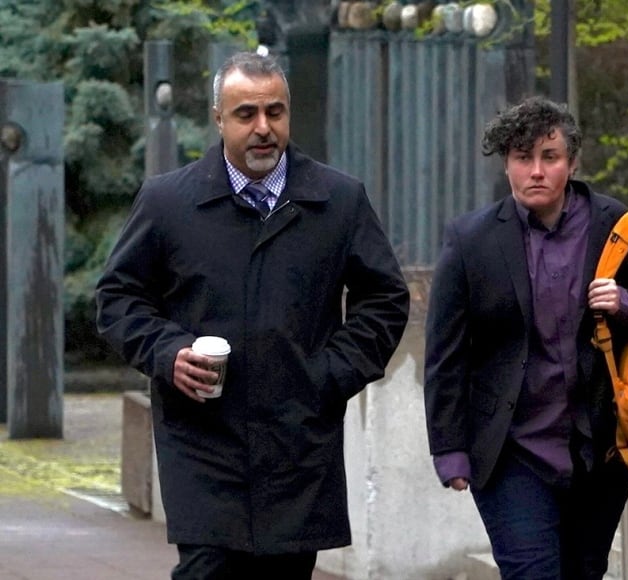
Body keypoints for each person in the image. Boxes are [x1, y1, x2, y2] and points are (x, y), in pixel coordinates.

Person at [96, 51, 409, 579]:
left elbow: (385, 300)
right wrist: (167, 353)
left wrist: (328, 375)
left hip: (298, 446)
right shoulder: (168, 202)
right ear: (219, 119)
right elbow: (118, 298)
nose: (263, 128)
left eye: (275, 112)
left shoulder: (337, 200)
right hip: (203, 445)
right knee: (208, 570)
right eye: (246, 114)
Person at [423, 96, 628, 579]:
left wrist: (627, 302)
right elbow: (445, 354)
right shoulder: (471, 241)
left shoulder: (617, 228)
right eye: (523, 159)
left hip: (599, 452)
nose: (537, 171)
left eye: (550, 157)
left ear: (572, 162)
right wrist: (448, 447)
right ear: (507, 164)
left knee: (584, 571)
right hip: (510, 452)